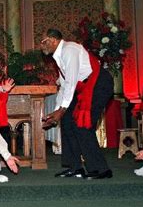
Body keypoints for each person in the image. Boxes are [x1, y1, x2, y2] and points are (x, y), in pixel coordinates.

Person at [40, 29, 114, 179]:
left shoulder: (69, 50)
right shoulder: (59, 57)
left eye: (44, 41)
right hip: (83, 88)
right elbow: (64, 85)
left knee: (82, 125)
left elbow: (72, 82)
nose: (41, 45)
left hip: (98, 84)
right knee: (67, 122)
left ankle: (101, 170)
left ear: (54, 40)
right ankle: (75, 168)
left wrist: (61, 111)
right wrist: (56, 113)